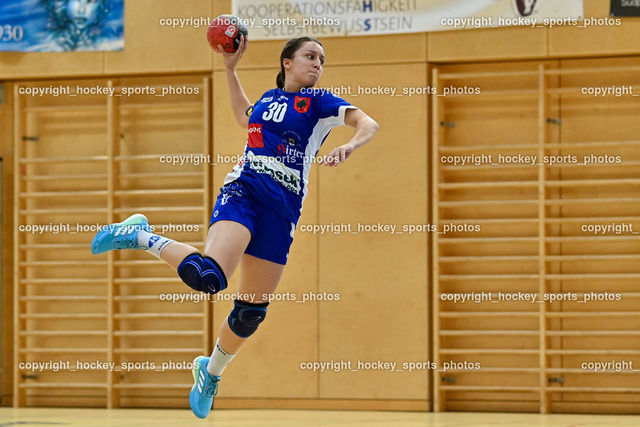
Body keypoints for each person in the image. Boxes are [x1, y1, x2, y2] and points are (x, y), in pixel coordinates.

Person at [91, 34, 379, 419]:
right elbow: (246, 116)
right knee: (209, 277)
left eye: (322, 60)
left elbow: (368, 123)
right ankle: (138, 235)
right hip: (244, 191)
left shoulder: (320, 102)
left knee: (250, 313)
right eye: (310, 56)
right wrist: (230, 69)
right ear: (287, 62)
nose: (317, 64)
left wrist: (351, 144)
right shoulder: (269, 99)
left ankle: (209, 372)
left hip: (282, 212)